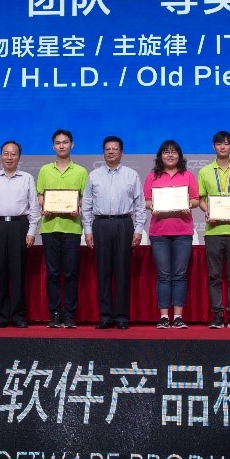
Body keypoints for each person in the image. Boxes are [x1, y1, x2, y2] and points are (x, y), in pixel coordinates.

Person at [82, 135, 146, 329]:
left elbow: (140, 204)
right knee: (103, 272)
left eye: (115, 149)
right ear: (103, 152)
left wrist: (138, 229)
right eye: (107, 149)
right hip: (100, 225)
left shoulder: (131, 175)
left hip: (123, 224)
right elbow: (86, 204)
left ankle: (122, 317)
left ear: (121, 152)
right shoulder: (94, 175)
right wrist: (88, 230)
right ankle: (105, 316)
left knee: (122, 271)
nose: (111, 152)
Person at [0, 140, 40, 328]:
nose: (9, 157)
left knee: (18, 273)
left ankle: (17, 315)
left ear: (19, 157)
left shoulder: (27, 178)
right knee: (0, 273)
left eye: (13, 154)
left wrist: (31, 232)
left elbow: (34, 208)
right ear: (1, 156)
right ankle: (0, 315)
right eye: (6, 153)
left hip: (19, 226)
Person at [198, 130, 230, 328]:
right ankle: (218, 315)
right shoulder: (204, 171)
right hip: (213, 231)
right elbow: (201, 199)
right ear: (214, 146)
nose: (223, 146)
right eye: (219, 143)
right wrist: (208, 210)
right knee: (214, 276)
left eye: (226, 143)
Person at [144, 139, 198, 329]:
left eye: (174, 152)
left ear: (179, 156)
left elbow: (195, 200)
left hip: (183, 231)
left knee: (180, 275)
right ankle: (164, 317)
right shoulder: (153, 176)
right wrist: (155, 205)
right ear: (160, 156)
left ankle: (178, 317)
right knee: (164, 275)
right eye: (166, 152)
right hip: (159, 232)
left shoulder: (188, 175)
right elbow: (147, 201)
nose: (170, 155)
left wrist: (186, 204)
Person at [36, 129, 88, 328]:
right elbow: (40, 195)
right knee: (52, 273)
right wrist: (44, 205)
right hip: (49, 227)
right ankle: (55, 313)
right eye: (58, 143)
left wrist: (76, 206)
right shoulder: (44, 170)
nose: (61, 145)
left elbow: (84, 199)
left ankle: (69, 314)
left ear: (72, 145)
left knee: (71, 273)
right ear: (53, 146)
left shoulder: (81, 171)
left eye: (65, 142)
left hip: (72, 228)